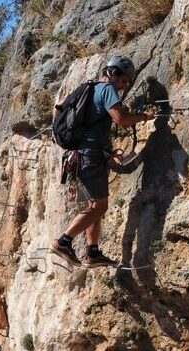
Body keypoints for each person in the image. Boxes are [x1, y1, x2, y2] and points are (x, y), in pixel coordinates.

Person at [52, 55, 154, 267]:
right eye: (124, 80)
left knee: (94, 205)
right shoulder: (107, 89)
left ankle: (92, 252)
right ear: (113, 73)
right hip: (90, 157)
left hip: (80, 156)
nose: (125, 86)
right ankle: (64, 241)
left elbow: (58, 107)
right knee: (99, 206)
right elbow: (122, 120)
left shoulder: (87, 88)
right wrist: (144, 117)